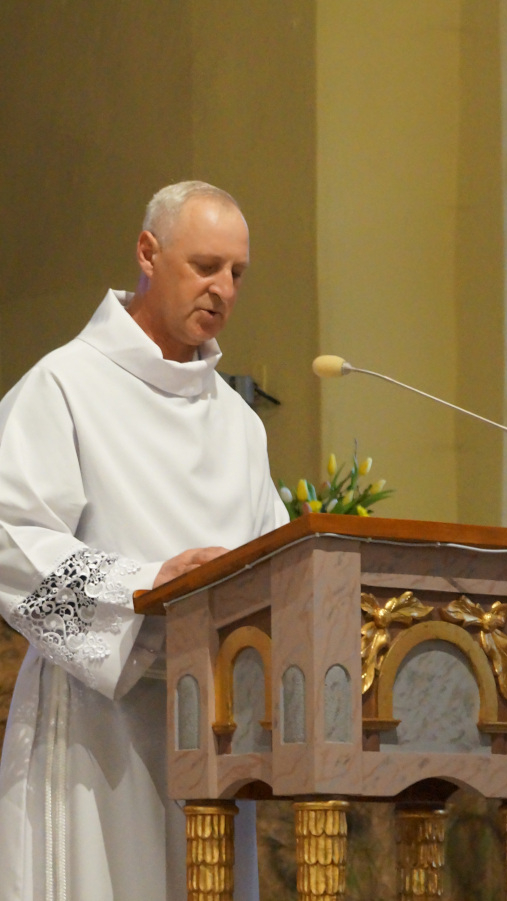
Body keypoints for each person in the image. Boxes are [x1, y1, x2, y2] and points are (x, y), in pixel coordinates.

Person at [0, 181, 289, 901]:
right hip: (98, 730)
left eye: (237, 273)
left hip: (215, 732)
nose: (224, 290)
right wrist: (146, 586)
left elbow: (280, 563)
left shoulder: (238, 424)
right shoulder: (65, 385)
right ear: (147, 253)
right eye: (205, 266)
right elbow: (11, 537)